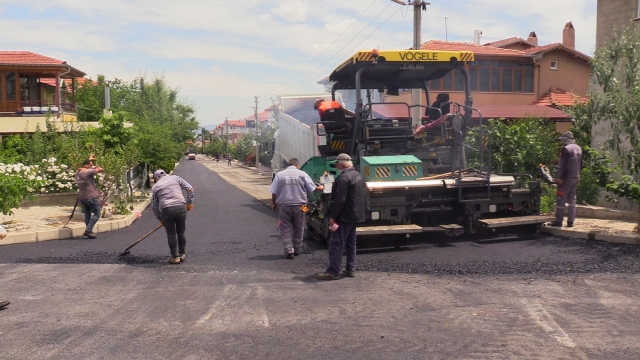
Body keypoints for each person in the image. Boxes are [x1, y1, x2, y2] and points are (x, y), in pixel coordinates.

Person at [317, 153, 365, 280]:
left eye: (337, 163)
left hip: (343, 216)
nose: (336, 165)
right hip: (354, 215)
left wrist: (332, 216)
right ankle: (350, 268)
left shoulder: (343, 178)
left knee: (336, 244)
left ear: (342, 163)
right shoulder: (357, 175)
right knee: (350, 243)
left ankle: (333, 272)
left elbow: (339, 200)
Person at [270, 158, 324, 259]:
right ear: (297, 165)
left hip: (283, 205)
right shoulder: (302, 174)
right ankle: (297, 249)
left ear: (288, 165)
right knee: (299, 226)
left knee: (285, 227)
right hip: (301, 205)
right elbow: (312, 188)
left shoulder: (279, 175)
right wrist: (321, 188)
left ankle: (289, 251)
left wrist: (274, 204)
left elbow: (274, 191)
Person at [151, 169, 195, 264]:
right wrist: (189, 203)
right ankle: (182, 254)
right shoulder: (176, 178)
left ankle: (175, 257)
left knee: (171, 234)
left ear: (156, 178)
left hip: (167, 209)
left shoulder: (155, 187)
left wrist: (161, 218)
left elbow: (154, 207)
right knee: (181, 231)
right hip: (181, 207)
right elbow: (190, 188)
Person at [549, 131, 583, 227]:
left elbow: (565, 166)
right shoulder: (578, 148)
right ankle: (570, 221)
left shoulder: (566, 149)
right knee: (572, 199)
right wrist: (577, 174)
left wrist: (560, 178)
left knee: (561, 198)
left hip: (566, 178)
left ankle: (558, 221)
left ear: (565, 139)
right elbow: (582, 164)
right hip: (576, 177)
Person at [75, 159, 104, 239]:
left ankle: (89, 231)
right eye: (90, 165)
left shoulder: (77, 173)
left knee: (87, 213)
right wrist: (94, 166)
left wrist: (89, 167)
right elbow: (101, 169)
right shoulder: (87, 172)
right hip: (91, 196)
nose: (92, 166)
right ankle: (88, 230)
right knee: (97, 213)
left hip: (82, 197)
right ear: (86, 165)